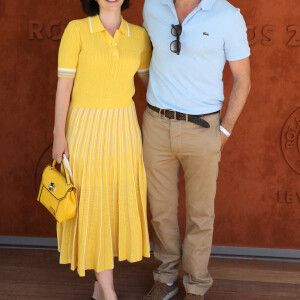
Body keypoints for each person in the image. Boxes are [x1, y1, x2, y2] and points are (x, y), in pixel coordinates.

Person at [142, 0, 251, 299]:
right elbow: (144, 56)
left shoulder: (228, 15)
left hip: (203, 129)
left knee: (200, 214)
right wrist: (157, 94)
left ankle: (195, 284)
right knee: (161, 211)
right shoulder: (152, 6)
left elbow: (243, 79)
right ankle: (165, 279)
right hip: (155, 125)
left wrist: (224, 131)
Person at [51, 0, 152, 299]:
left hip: (124, 131)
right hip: (85, 129)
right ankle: (109, 292)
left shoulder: (140, 36)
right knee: (92, 207)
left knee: (113, 206)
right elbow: (64, 87)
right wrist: (59, 135)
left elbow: (153, 84)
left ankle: (99, 288)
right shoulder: (77, 30)